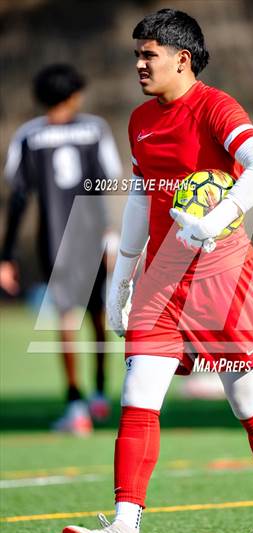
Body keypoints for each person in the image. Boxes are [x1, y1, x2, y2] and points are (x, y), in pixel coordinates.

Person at [62, 9, 253, 533]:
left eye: (148, 55)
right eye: (136, 55)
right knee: (137, 397)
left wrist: (215, 219)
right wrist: (122, 276)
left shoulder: (217, 107)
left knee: (247, 399)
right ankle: (125, 528)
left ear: (182, 59)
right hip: (161, 282)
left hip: (224, 278)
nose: (139, 65)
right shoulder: (139, 120)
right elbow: (140, 196)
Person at [0, 64, 122, 434]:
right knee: (98, 314)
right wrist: (110, 232)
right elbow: (107, 180)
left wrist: (7, 255)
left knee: (67, 318)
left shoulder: (29, 135)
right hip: (92, 235)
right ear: (73, 95)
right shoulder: (95, 129)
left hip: (55, 240)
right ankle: (99, 394)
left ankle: (75, 405)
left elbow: (18, 196)